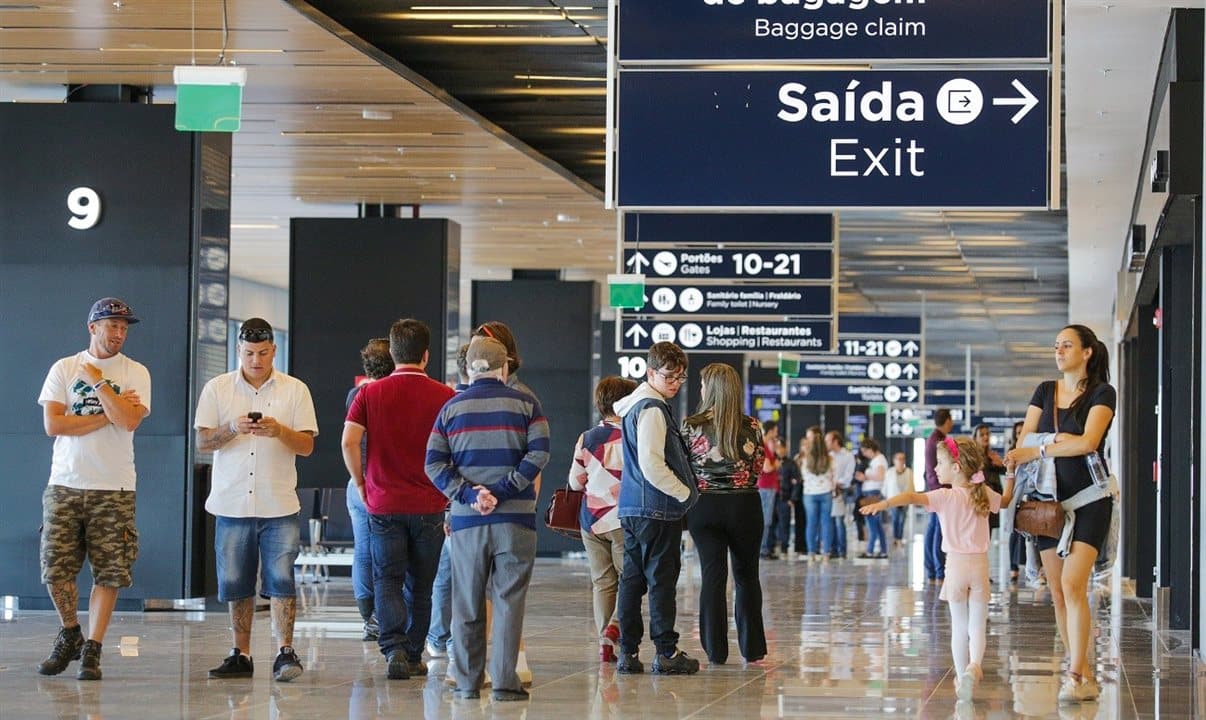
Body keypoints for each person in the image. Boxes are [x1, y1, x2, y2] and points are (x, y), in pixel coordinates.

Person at [425, 335, 551, 701]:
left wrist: (469, 494)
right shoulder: (527, 403)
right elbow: (539, 453)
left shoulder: (450, 409)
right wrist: (505, 490)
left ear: (467, 368)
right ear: (505, 367)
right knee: (509, 601)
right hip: (515, 520)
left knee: (466, 601)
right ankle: (506, 682)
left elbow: (433, 464)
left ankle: (466, 683)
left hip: (467, 522)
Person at [196, 318, 318, 682]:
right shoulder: (217, 389)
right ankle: (241, 653)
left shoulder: (295, 390)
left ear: (274, 350)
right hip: (232, 502)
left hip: (279, 502)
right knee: (235, 581)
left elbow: (308, 446)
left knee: (282, 579)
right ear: (238, 351)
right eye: (249, 353)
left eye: (263, 353)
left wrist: (279, 430)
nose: (256, 360)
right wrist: (231, 429)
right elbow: (202, 442)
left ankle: (285, 652)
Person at [36, 297, 151, 681]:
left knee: (110, 572)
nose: (119, 334)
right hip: (65, 482)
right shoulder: (64, 368)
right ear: (92, 327)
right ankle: (70, 632)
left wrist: (100, 383)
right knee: (55, 569)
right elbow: (54, 425)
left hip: (114, 486)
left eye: (123, 328)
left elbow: (130, 421)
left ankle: (93, 649)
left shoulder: (135, 372)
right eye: (111, 326)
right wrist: (110, 413)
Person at [1005, 324, 1116, 704]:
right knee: (1056, 591)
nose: (1059, 350)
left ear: (1086, 352)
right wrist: (1058, 441)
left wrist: (1041, 446)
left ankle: (1074, 673)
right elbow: (1023, 441)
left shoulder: (1103, 392)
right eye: (1056, 345)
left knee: (1073, 585)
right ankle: (1081, 672)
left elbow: (1088, 442)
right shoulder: (1045, 391)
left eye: (1067, 345)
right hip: (1047, 503)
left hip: (1090, 499)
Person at [342, 319, 455, 680]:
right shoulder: (446, 396)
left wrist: (360, 482)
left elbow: (348, 442)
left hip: (383, 503)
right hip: (430, 505)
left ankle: (392, 648)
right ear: (426, 356)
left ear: (392, 353)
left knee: (387, 579)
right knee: (421, 585)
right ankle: (413, 651)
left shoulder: (368, 394)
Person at [860, 436, 1014, 702]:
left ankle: (960, 678)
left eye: (940, 462)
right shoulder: (984, 493)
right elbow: (1008, 500)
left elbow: (910, 496)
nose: (935, 468)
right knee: (978, 624)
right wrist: (1011, 472)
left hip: (955, 566)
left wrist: (882, 504)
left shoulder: (944, 496)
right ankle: (974, 667)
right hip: (980, 565)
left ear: (956, 467)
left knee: (959, 625)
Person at [612, 341, 700, 675]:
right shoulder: (652, 408)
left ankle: (628, 653)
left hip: (632, 507)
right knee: (661, 582)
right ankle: (666, 651)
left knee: (632, 582)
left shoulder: (634, 405)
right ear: (651, 372)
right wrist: (683, 494)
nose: (676, 383)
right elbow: (651, 463)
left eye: (680, 377)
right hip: (657, 510)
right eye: (669, 377)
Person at [682, 363, 768, 666]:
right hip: (745, 505)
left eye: (703, 384)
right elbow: (759, 466)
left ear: (711, 389)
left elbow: (685, 467)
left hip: (705, 506)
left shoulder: (691, 424)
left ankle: (716, 651)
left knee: (713, 577)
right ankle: (753, 648)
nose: (700, 389)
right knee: (747, 577)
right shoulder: (753, 426)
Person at [569, 376, 638, 663]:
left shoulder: (587, 438)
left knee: (602, 582)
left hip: (591, 521)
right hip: (623, 520)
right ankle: (617, 626)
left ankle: (604, 643)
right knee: (630, 579)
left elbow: (575, 483)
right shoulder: (634, 437)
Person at [345, 337, 393, 642]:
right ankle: (387, 615)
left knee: (362, 552)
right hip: (385, 483)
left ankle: (369, 618)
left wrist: (358, 480)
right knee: (391, 552)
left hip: (356, 482)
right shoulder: (391, 394)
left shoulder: (355, 394)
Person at [426, 342, 471, 661]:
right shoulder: (457, 404)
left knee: (448, 572)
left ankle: (440, 636)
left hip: (455, 501)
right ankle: (449, 637)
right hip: (471, 503)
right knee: (464, 574)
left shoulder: (449, 404)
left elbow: (440, 461)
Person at [924, 409, 955, 582]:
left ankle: (932, 570)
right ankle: (938, 570)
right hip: (939, 488)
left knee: (933, 529)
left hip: (934, 487)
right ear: (947, 420)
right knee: (939, 530)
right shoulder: (938, 441)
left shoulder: (933, 438)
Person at [799, 427, 834, 562]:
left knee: (811, 523)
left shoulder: (806, 459)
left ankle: (811, 554)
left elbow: (803, 475)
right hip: (826, 493)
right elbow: (833, 476)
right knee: (826, 523)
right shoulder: (830, 459)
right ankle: (826, 554)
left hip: (809, 494)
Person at [857, 438, 889, 559]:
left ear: (870, 449)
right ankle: (883, 551)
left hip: (873, 494)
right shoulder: (877, 460)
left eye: (865, 451)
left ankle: (870, 551)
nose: (864, 454)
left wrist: (865, 476)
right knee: (877, 525)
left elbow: (880, 476)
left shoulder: (879, 459)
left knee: (872, 524)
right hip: (872, 493)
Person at [826, 431, 855, 559]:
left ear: (835, 441)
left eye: (828, 440)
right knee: (830, 521)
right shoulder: (828, 456)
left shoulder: (848, 456)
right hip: (828, 490)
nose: (826, 443)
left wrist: (837, 483)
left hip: (841, 491)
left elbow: (848, 476)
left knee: (839, 521)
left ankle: (842, 551)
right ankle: (833, 550)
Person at [974, 424, 1007, 533]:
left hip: (992, 498)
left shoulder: (991, 455)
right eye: (982, 435)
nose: (985, 437)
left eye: (987, 434)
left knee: (989, 532)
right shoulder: (973, 457)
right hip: (981, 498)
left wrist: (1000, 464)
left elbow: (1005, 471)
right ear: (975, 438)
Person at [756, 420, 781, 559]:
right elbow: (767, 468)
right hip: (766, 486)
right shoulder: (764, 446)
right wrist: (776, 464)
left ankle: (764, 547)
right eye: (775, 431)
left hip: (766, 487)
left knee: (766, 519)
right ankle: (763, 549)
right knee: (766, 519)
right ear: (770, 431)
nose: (776, 434)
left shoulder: (765, 445)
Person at [778, 437, 805, 555]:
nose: (778, 450)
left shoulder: (791, 463)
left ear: (785, 448)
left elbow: (797, 481)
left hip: (786, 498)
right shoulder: (771, 462)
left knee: (784, 524)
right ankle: (771, 546)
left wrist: (793, 499)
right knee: (771, 523)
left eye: (780, 447)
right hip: (774, 497)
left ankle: (784, 547)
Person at [883, 452, 913, 547]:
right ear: (894, 460)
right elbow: (885, 487)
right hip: (893, 500)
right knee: (895, 519)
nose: (900, 461)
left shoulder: (909, 472)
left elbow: (912, 486)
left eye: (902, 459)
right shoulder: (889, 472)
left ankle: (899, 538)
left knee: (902, 520)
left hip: (905, 500)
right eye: (898, 459)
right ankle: (896, 538)